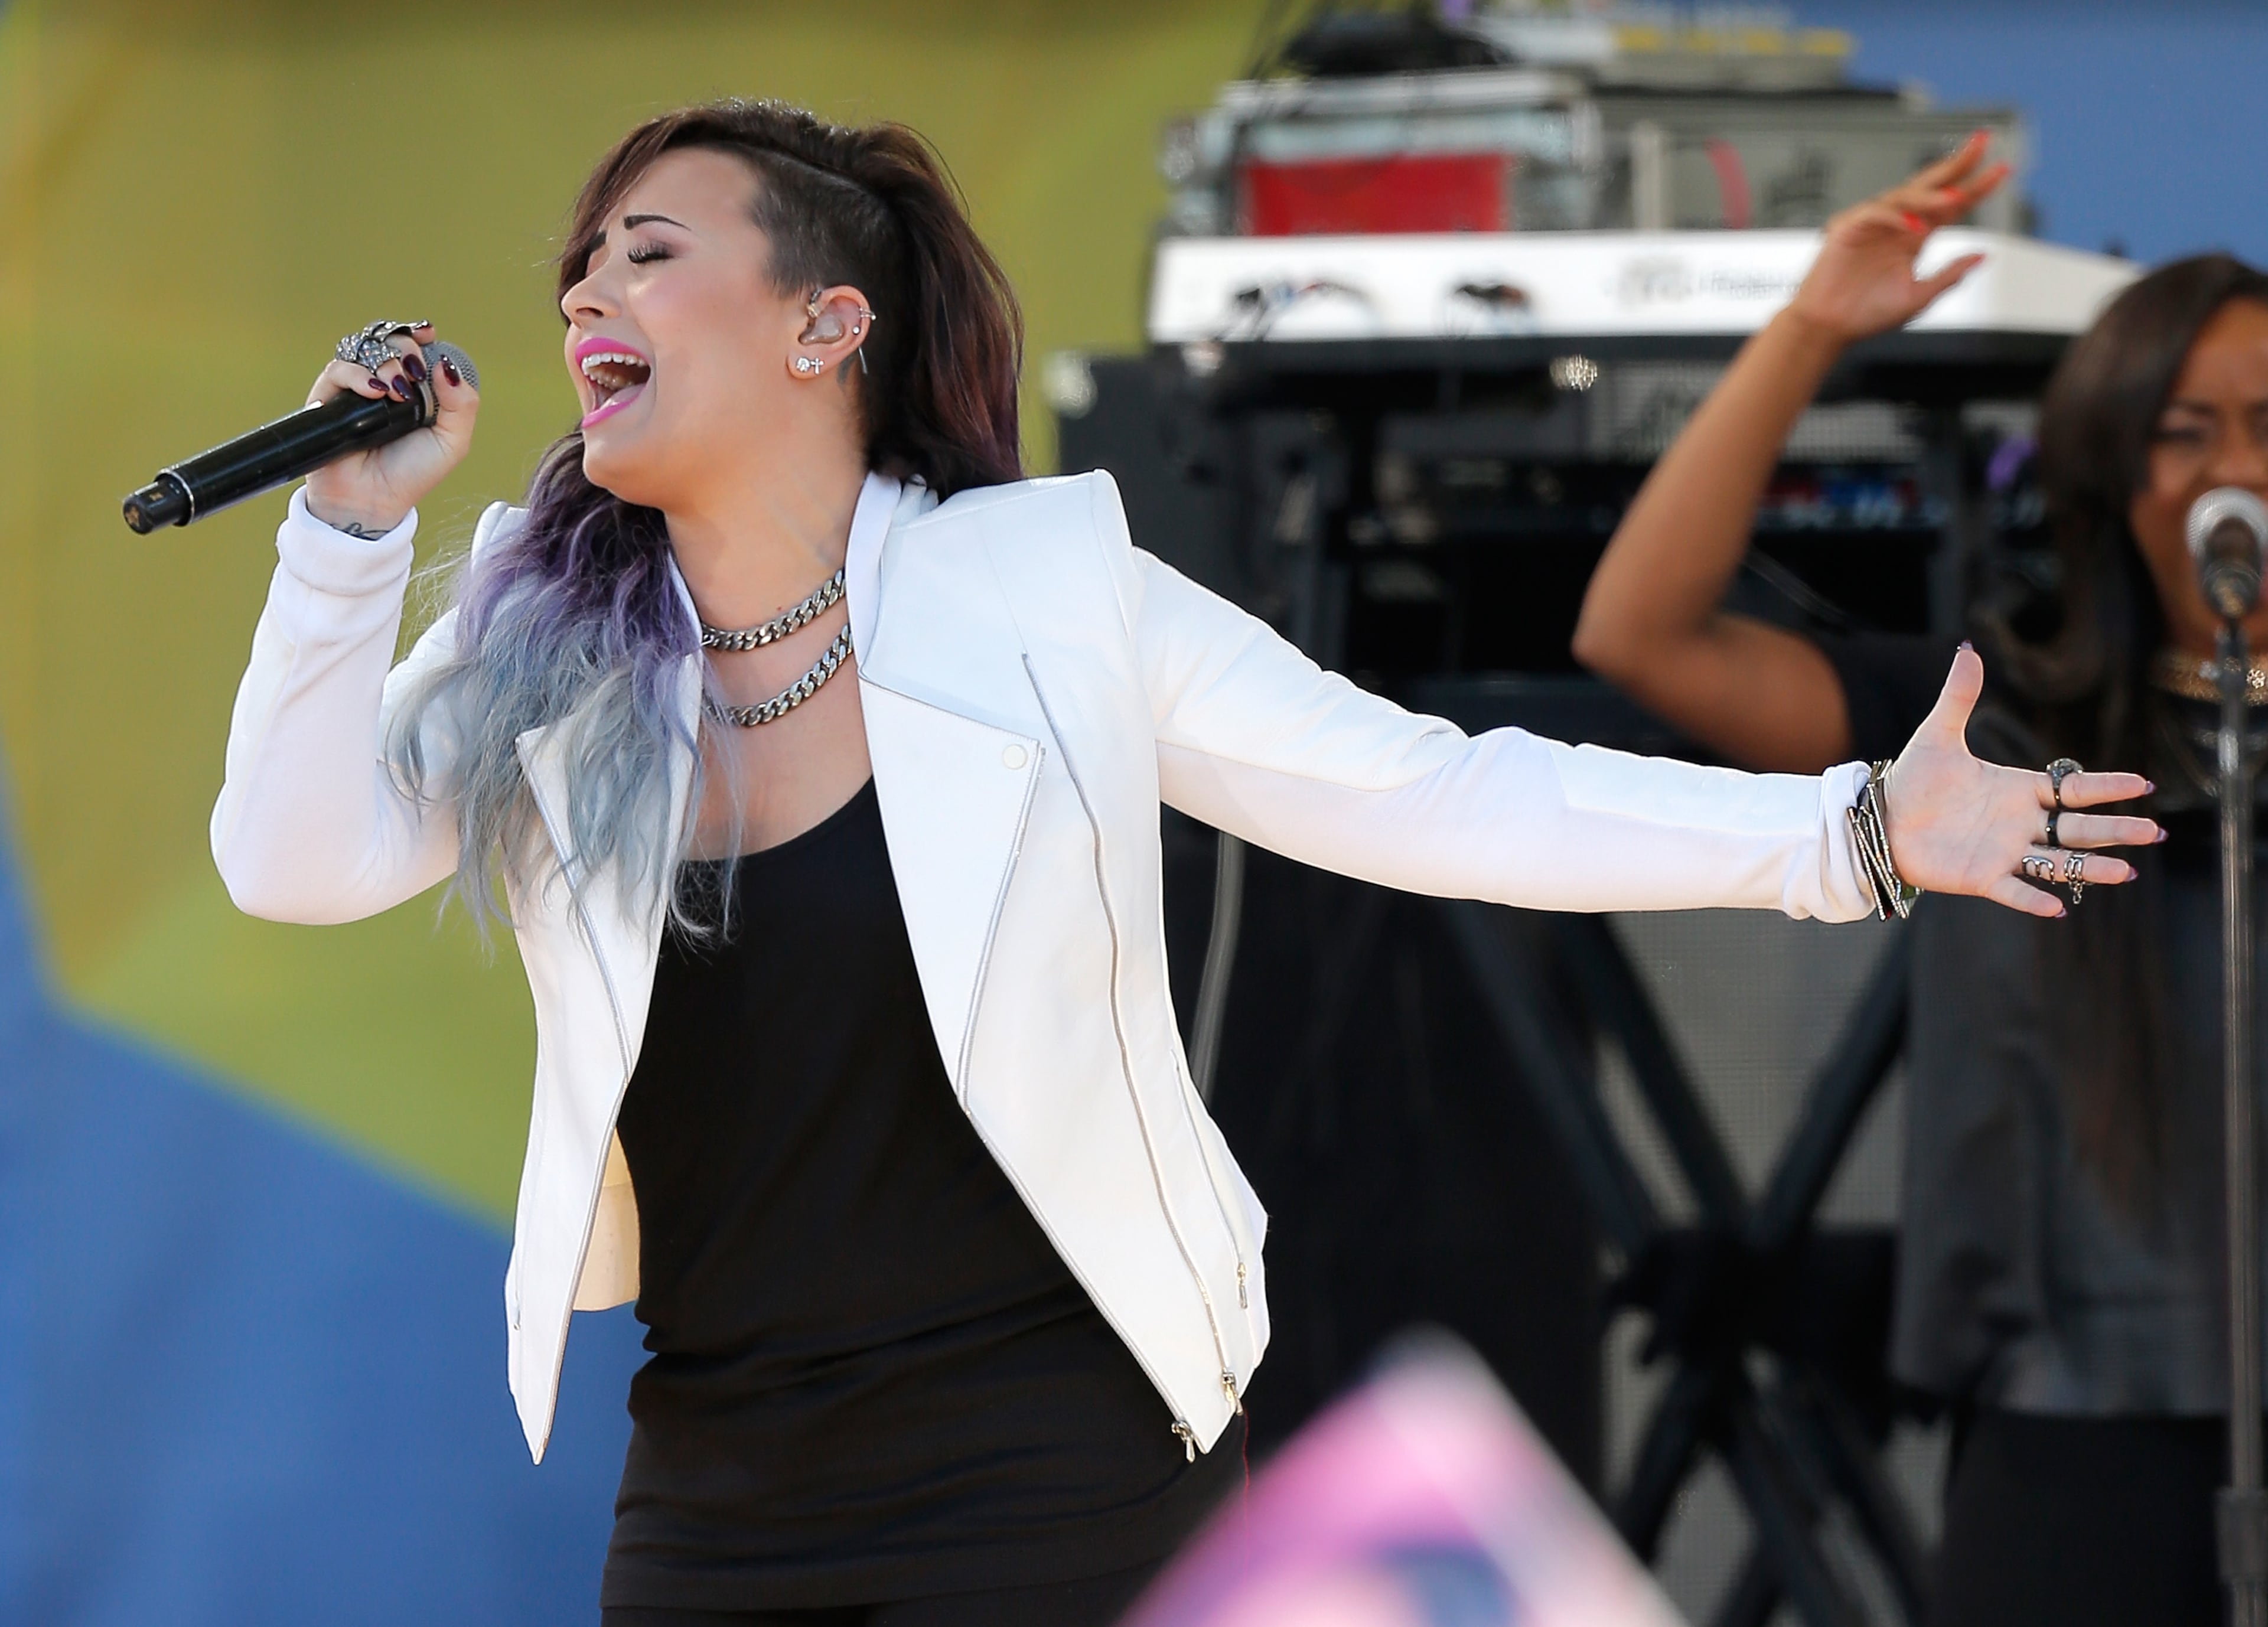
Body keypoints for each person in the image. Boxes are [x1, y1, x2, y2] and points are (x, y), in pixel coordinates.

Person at [210, 103, 2155, 1627]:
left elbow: (1435, 791)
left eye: (647, 251)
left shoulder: (1045, 595)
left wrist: (1852, 835)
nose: (582, 298)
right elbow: (295, 859)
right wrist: (348, 535)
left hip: (1046, 1458)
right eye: (575, 267)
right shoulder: (544, 637)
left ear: (825, 322)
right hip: (714, 1472)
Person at [1574, 134, 2268, 1627]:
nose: (2239, 473)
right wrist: (1812, 327)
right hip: (2070, 1415)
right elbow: (1645, 635)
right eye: (2187, 430)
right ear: (2108, 462)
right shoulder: (1999, 716)